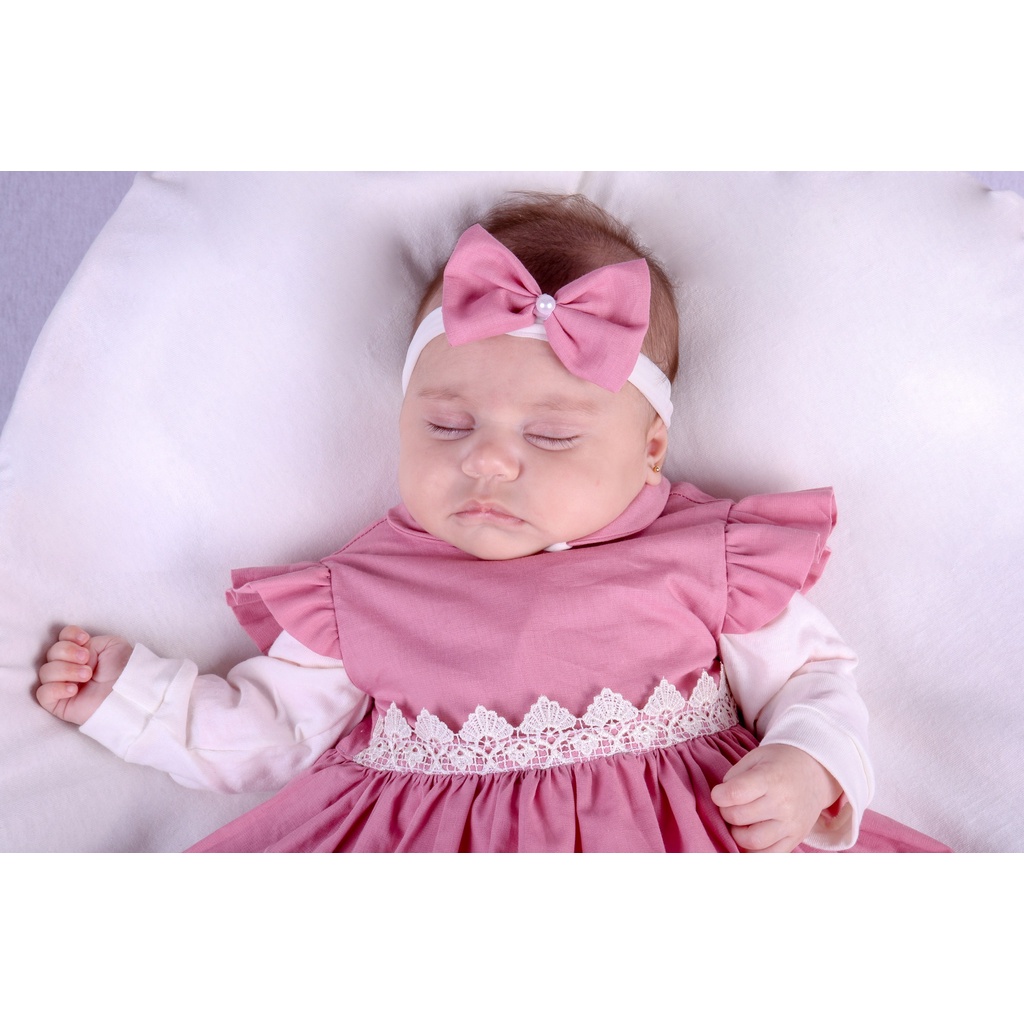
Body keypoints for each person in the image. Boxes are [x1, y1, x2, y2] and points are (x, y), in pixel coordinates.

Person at [35, 193, 949, 853]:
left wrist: (808, 763)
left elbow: (810, 678)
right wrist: (135, 698)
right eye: (446, 425)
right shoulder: (363, 593)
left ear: (650, 450)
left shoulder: (705, 558)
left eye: (551, 436)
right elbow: (269, 728)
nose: (488, 461)